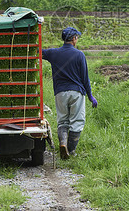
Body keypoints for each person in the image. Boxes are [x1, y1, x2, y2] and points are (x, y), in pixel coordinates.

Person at [42, 27, 98, 159]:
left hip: (60, 93)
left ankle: (63, 144)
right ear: (74, 38)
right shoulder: (79, 55)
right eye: (76, 37)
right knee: (77, 121)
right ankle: (71, 151)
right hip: (76, 93)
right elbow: (85, 78)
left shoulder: (53, 53)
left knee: (62, 121)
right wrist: (90, 96)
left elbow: (38, 51)